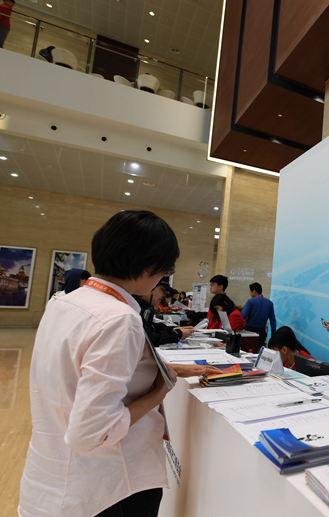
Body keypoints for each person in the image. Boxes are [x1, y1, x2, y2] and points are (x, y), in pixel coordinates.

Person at [19, 210, 181, 516]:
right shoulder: (119, 319)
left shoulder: (62, 302)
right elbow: (91, 432)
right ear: (149, 265)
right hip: (108, 489)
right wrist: (159, 393)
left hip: (53, 475)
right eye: (166, 269)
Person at [134, 276, 195, 347]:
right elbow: (150, 338)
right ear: (149, 286)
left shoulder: (145, 307)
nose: (164, 295)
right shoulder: (134, 308)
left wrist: (172, 329)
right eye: (162, 290)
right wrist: (177, 334)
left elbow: (150, 326)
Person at [241, 282, 277, 349]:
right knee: (259, 351)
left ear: (254, 291)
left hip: (249, 331)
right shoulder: (269, 303)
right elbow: (273, 321)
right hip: (261, 331)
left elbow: (243, 316)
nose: (250, 294)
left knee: (246, 350)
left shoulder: (250, 301)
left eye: (250, 292)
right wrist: (273, 334)